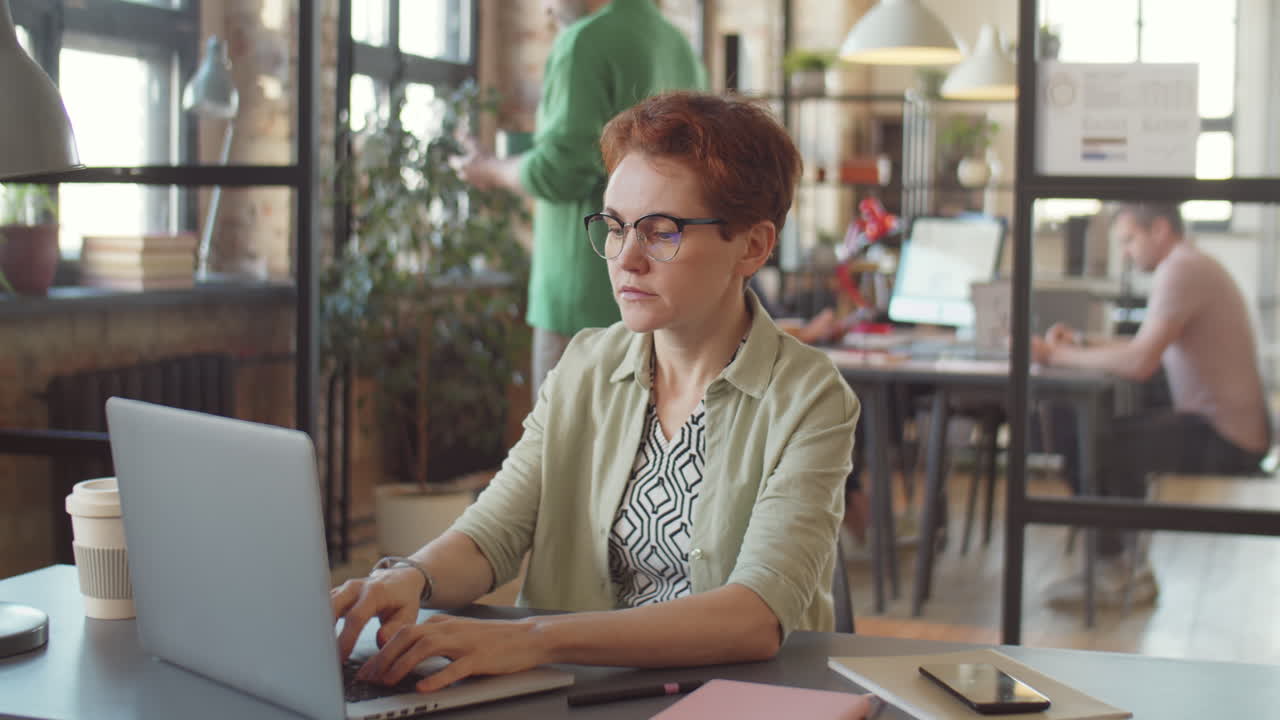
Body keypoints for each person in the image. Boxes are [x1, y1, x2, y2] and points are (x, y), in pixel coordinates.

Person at [331, 92, 866, 703]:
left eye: (661, 232)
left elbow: (756, 616)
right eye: (615, 228)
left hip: (739, 702)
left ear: (752, 246)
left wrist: (534, 640)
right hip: (578, 699)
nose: (627, 259)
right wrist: (412, 576)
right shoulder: (585, 365)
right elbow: (494, 532)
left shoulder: (809, 397)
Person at [453, 0, 706, 399]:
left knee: (562, 437)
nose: (546, 8)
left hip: (582, 298)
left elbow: (560, 171)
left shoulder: (584, 42)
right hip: (664, 296)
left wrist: (490, 169)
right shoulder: (680, 47)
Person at [1032, 202, 1271, 607]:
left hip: (1225, 435)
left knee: (1098, 445)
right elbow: (1146, 346)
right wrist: (1083, 342)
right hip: (1222, 424)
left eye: (1129, 240)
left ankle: (1115, 571)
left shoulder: (1182, 269)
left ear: (1159, 230)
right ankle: (1126, 566)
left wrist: (1053, 355)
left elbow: (1141, 362)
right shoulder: (1190, 263)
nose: (1125, 253)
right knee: (1105, 437)